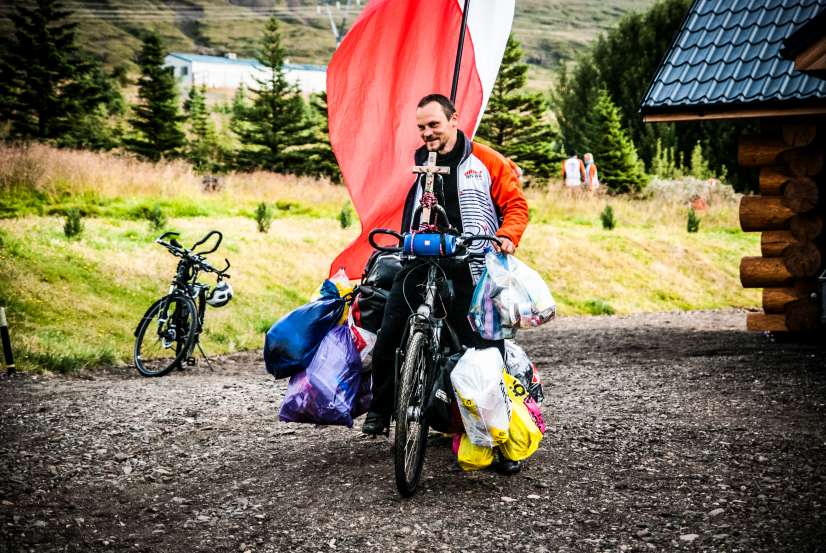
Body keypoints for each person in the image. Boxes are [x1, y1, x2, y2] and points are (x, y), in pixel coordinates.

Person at [362, 93, 529, 474]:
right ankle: (382, 410)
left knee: (485, 354)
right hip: (426, 258)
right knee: (390, 327)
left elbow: (516, 207)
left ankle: (499, 442)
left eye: (434, 125)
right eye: (421, 127)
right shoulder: (422, 160)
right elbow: (415, 207)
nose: (427, 133)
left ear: (454, 120)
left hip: (472, 267)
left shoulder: (486, 161)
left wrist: (507, 235)